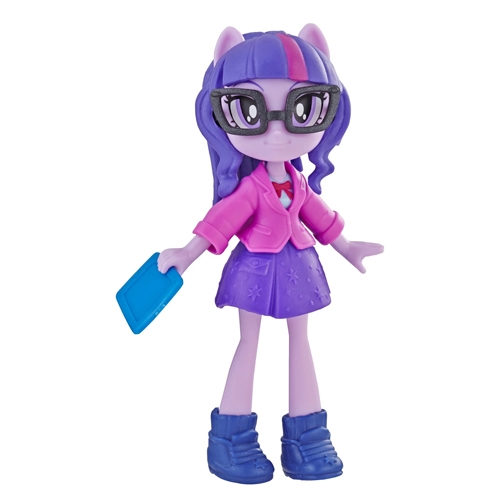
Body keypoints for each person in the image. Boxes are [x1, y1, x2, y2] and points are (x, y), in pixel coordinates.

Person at [158, 24, 383, 484]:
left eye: (305, 108)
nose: (277, 132)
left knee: (301, 342)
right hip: (256, 271)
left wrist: (347, 247)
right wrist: (186, 253)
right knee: (250, 342)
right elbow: (220, 222)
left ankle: (307, 436)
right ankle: (231, 438)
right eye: (249, 110)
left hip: (300, 266)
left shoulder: (298, 182)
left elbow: (320, 217)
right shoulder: (250, 188)